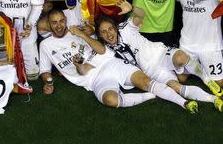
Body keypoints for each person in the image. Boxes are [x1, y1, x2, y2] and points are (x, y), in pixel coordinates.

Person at [40, 9, 199, 112]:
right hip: (93, 78)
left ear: (66, 20)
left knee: (145, 81)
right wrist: (48, 82)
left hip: (110, 62)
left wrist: (82, 35)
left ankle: (183, 103)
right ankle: (151, 96)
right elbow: (46, 70)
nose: (59, 25)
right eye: (54, 22)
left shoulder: (77, 31)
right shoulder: (46, 45)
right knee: (111, 100)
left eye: (61, 21)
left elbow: (101, 50)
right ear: (48, 24)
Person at [96, 9, 223, 112]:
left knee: (180, 58)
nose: (109, 34)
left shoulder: (126, 28)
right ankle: (214, 100)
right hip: (151, 71)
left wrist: (132, 9)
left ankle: (207, 80)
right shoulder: (105, 50)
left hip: (160, 54)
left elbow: (141, 14)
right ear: (100, 36)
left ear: (115, 28)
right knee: (175, 87)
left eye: (110, 29)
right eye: (104, 32)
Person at [176, 0, 223, 88]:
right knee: (182, 78)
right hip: (188, 43)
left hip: (210, 44)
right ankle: (202, 71)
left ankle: (202, 67)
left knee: (220, 83)